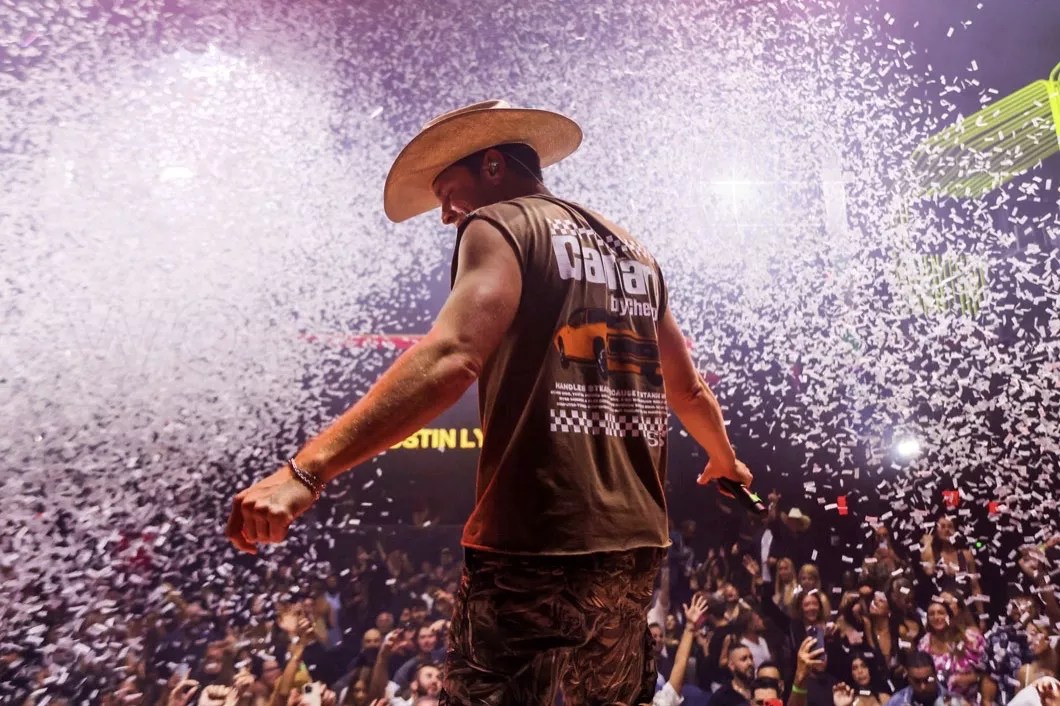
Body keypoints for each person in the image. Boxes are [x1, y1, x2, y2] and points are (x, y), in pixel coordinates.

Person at [224, 99, 755, 706]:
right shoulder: (633, 252)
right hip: (633, 547)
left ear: (494, 166)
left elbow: (453, 357)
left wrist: (306, 470)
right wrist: (725, 459)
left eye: (448, 192)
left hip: (535, 540)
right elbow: (687, 389)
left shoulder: (500, 224)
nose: (446, 214)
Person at [885, 651, 968, 706]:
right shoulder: (896, 702)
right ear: (909, 679)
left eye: (928, 680)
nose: (923, 687)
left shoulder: (956, 702)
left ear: (936, 676)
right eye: (916, 681)